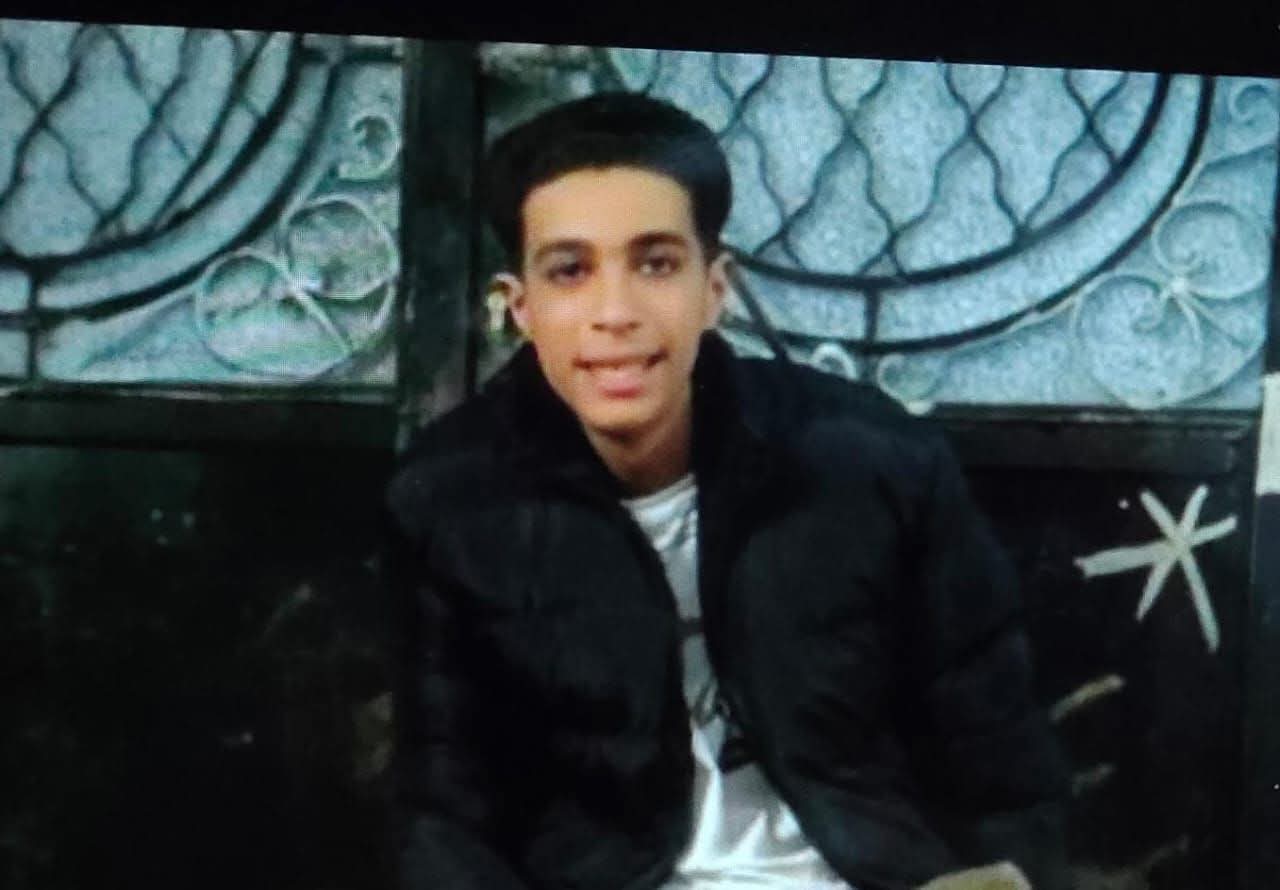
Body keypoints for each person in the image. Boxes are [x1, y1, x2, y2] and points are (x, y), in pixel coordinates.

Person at [384, 92, 1069, 890]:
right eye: (571, 271)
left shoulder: (871, 460)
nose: (615, 312)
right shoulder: (451, 500)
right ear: (520, 307)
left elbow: (1001, 761)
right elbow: (445, 813)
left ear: (715, 287)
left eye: (655, 264)